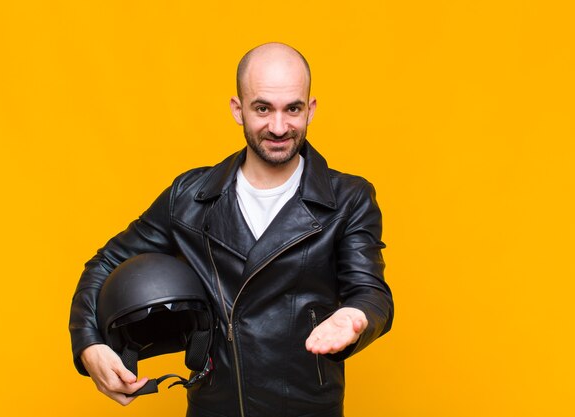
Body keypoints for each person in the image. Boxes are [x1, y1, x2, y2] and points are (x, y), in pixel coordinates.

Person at [69, 42, 394, 417]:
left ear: (311, 109)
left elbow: (371, 292)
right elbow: (106, 263)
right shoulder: (189, 196)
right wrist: (89, 344)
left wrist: (356, 317)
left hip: (307, 407)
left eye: (293, 109)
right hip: (213, 407)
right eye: (262, 108)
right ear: (238, 110)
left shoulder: (349, 199)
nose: (278, 127)